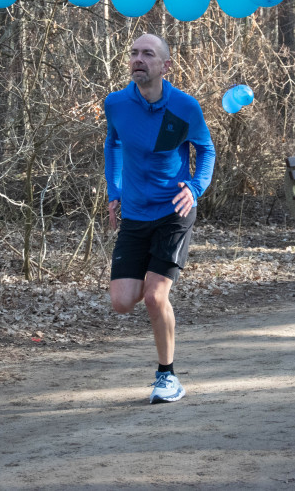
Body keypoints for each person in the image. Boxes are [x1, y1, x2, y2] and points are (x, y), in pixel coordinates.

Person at [103, 33, 216, 403]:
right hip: (135, 212)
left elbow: (206, 149)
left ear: (165, 65)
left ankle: (167, 377)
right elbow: (113, 143)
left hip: (174, 210)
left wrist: (195, 188)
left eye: (147, 54)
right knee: (122, 301)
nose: (138, 59)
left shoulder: (185, 107)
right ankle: (158, 312)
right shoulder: (116, 104)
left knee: (154, 297)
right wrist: (114, 192)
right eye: (134, 53)